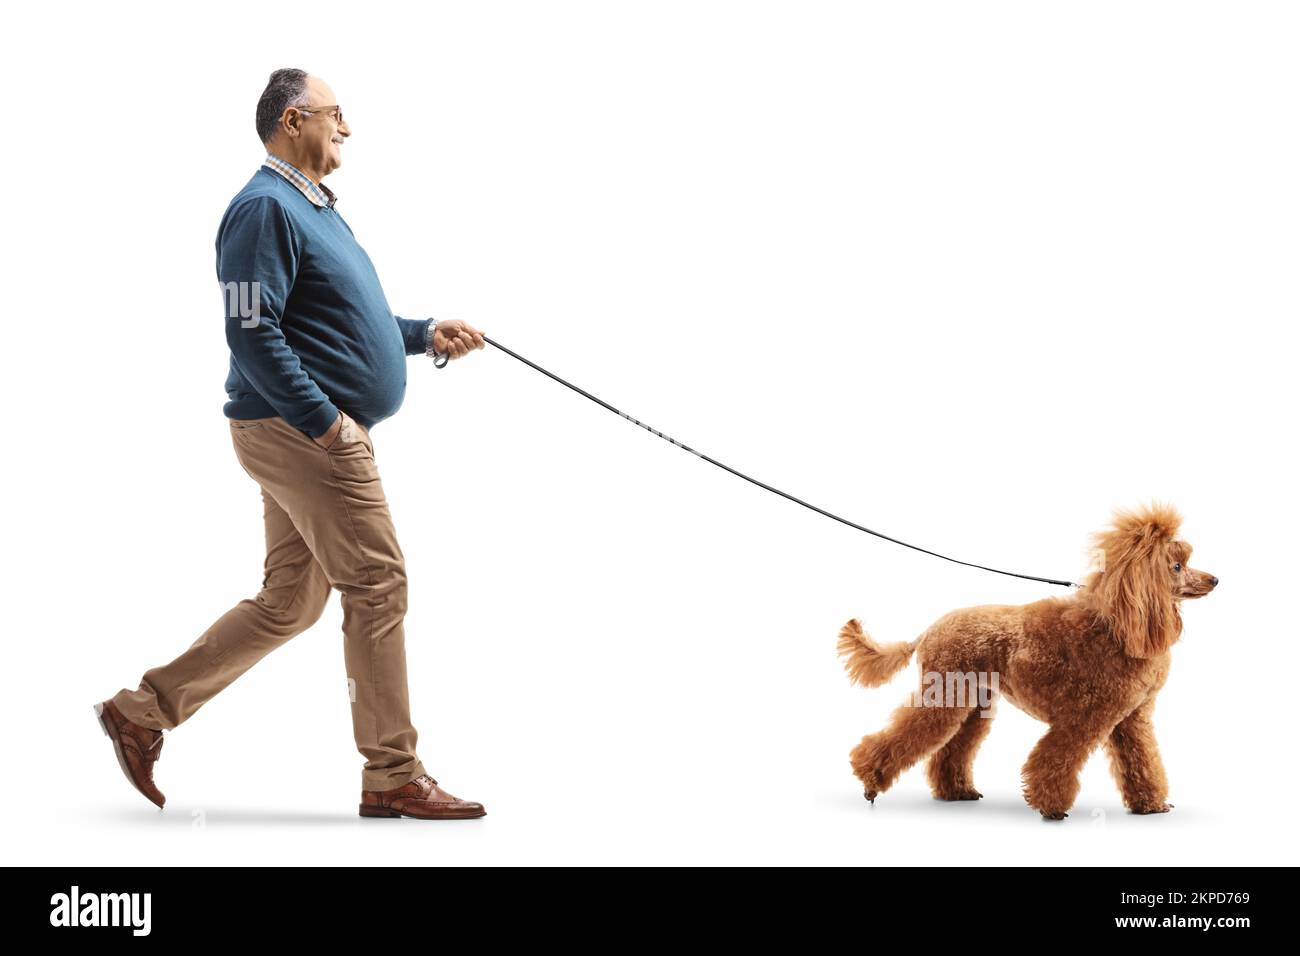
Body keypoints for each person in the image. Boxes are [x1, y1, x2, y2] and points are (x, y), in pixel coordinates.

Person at [94, 68, 488, 820]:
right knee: (379, 585)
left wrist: (420, 334)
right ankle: (392, 773)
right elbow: (249, 328)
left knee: (289, 603)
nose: (347, 128)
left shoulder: (312, 209)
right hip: (299, 434)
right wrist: (324, 423)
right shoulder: (261, 210)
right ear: (292, 120)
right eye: (337, 114)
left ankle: (143, 712)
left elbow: (339, 319)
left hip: (298, 431)